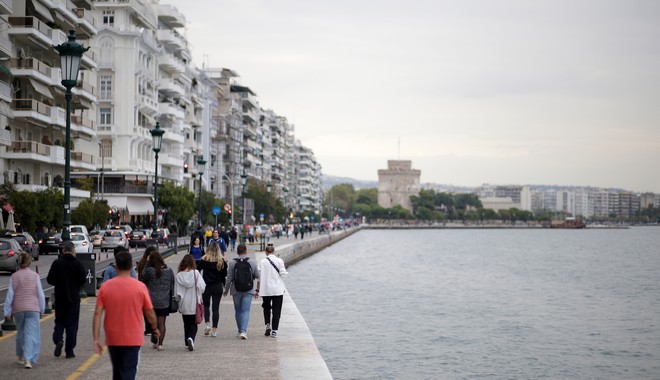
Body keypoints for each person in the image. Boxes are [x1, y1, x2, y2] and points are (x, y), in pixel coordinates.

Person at [93, 250, 159, 380]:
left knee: (117, 371)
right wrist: (155, 328)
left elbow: (97, 314)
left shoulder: (105, 287)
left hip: (113, 337)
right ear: (131, 267)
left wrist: (96, 339)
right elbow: (150, 313)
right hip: (133, 337)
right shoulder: (140, 287)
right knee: (129, 370)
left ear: (116, 266)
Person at [3, 253, 46, 369]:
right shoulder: (35, 276)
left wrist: (7, 311)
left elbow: (10, 295)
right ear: (29, 262)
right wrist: (42, 308)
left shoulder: (14, 277)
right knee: (31, 334)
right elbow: (40, 294)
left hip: (19, 309)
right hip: (33, 308)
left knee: (21, 332)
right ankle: (28, 358)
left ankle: (20, 355)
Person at [46, 241, 86, 359]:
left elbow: (50, 280)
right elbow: (83, 280)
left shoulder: (57, 263)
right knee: (72, 325)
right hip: (73, 299)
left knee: (59, 321)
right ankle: (69, 351)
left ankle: (58, 339)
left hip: (60, 298)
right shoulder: (78, 264)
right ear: (73, 251)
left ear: (63, 251)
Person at [223, 243, 260, 339]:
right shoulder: (252, 262)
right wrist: (257, 290)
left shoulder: (232, 263)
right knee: (246, 310)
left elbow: (229, 278)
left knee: (238, 310)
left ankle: (240, 330)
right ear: (246, 251)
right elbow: (258, 277)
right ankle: (244, 331)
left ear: (237, 252)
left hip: (236, 289)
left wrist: (226, 290)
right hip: (249, 289)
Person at [141, 251, 175, 350]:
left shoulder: (150, 271)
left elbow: (143, 275)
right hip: (164, 301)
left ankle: (154, 339)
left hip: (152, 301)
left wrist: (147, 263)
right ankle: (160, 344)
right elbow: (172, 284)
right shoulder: (169, 270)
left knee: (153, 322)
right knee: (162, 323)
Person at [256, 243, 288, 338]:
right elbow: (284, 274)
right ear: (274, 251)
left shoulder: (262, 262)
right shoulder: (279, 261)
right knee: (276, 310)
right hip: (277, 290)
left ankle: (267, 325)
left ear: (266, 252)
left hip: (265, 290)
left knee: (266, 308)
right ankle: (274, 331)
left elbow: (259, 278)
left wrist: (257, 290)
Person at [175, 254, 205, 351]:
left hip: (184, 303)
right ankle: (191, 338)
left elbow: (177, 292)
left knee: (186, 323)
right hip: (194, 302)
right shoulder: (196, 273)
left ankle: (187, 341)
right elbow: (202, 286)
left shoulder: (179, 275)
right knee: (193, 324)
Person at [198, 242, 227, 337]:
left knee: (206, 306)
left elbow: (197, 270)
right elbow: (224, 275)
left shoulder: (204, 259)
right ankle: (214, 330)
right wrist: (224, 285)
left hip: (206, 286)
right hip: (217, 286)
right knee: (216, 308)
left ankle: (207, 325)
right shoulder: (221, 261)